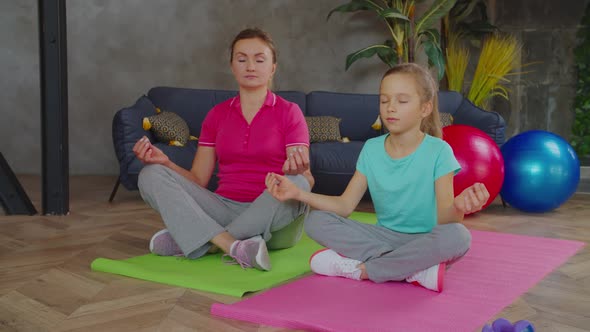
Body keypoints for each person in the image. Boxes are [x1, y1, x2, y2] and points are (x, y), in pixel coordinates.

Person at [265, 63, 489, 291]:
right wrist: (299, 193)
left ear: (425, 108)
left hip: (424, 240)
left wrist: (459, 207)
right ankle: (412, 269)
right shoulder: (371, 149)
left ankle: (365, 270)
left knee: (459, 236)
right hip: (380, 239)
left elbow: (445, 220)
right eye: (384, 100)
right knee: (316, 221)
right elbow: (344, 205)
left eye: (402, 101)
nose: (390, 108)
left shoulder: (439, 151)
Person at [134, 27, 314, 271]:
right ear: (232, 66)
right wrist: (166, 163)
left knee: (299, 183)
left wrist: (300, 173)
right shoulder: (217, 115)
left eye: (259, 60)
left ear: (272, 67)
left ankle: (202, 240)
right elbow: (198, 179)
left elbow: (307, 182)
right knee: (150, 174)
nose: (250, 66)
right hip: (223, 208)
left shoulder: (289, 112)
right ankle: (233, 245)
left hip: (275, 219)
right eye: (242, 59)